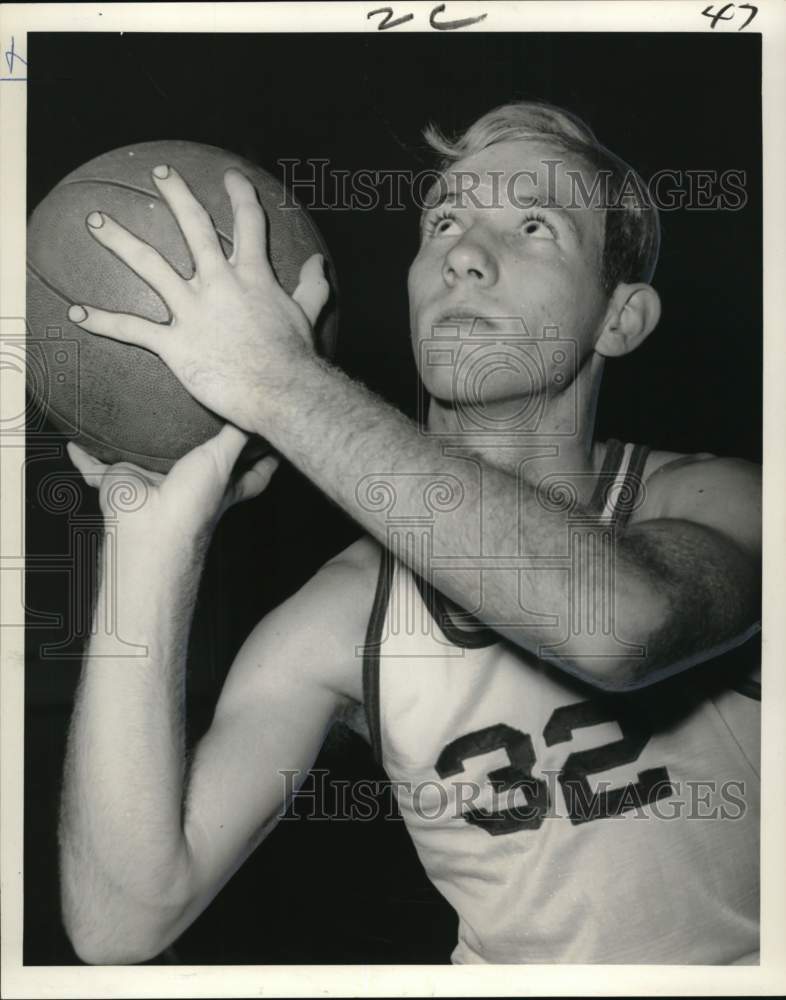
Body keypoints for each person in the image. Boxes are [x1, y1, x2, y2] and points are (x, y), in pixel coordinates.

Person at [58, 102, 761, 965]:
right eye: (446, 219)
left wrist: (279, 381)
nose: (464, 253)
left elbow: (621, 625)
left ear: (620, 318)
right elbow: (121, 919)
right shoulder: (347, 616)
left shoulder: (725, 501)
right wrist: (148, 543)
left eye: (535, 224)